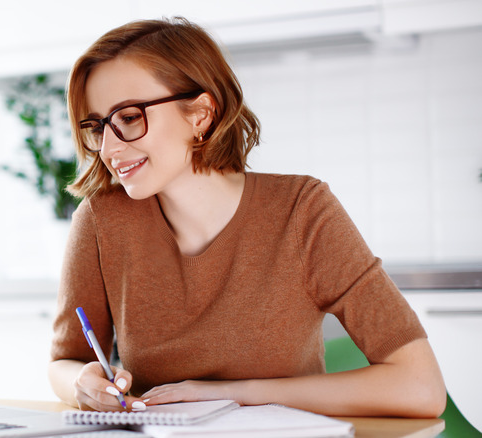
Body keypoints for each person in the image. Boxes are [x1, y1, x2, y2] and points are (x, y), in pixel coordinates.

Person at [47, 17, 446, 418]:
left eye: (129, 118)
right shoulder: (100, 221)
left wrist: (235, 393)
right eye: (97, 126)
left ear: (200, 114)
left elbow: (420, 386)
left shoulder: (302, 209)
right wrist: (82, 384)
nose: (109, 147)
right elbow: (64, 363)